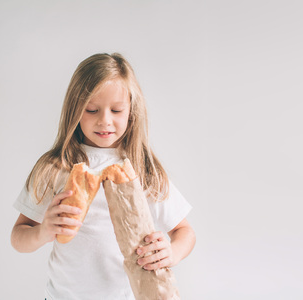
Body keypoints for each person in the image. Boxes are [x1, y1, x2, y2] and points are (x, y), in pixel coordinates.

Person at [11, 53, 196, 299]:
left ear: (132, 111)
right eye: (92, 110)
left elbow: (185, 232)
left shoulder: (141, 168)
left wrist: (172, 252)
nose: (104, 121)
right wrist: (42, 231)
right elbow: (18, 236)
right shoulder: (56, 167)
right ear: (75, 110)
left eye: (116, 110)